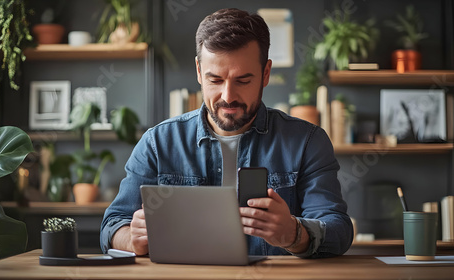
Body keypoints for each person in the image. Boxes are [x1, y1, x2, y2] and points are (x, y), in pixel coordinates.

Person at [101, 8, 353, 258]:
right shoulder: (158, 143)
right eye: (215, 80)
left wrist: (294, 233)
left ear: (266, 73)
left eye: (243, 81)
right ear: (199, 71)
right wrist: (132, 239)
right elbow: (111, 226)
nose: (228, 96)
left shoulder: (307, 142)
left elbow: (339, 230)